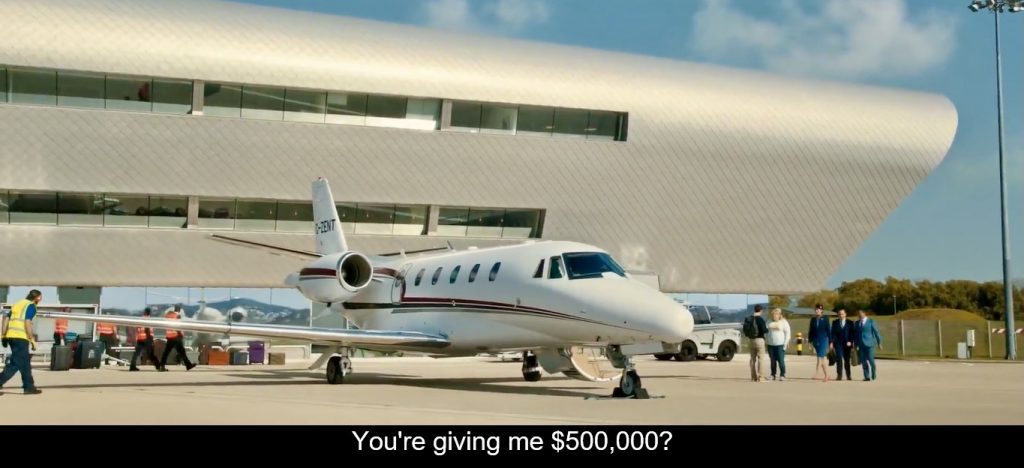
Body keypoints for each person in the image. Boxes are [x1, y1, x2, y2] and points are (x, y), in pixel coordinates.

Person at [0, 290, 44, 395]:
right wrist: (31, 338)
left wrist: (3, 335)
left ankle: (29, 387)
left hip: (11, 336)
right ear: (37, 298)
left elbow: (6, 318)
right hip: (21, 338)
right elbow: (27, 322)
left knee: (25, 363)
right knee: (15, 363)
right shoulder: (31, 306)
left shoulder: (18, 304)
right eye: (41, 297)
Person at [159, 306, 196, 371]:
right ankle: (188, 365)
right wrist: (181, 335)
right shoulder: (177, 316)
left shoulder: (167, 316)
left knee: (166, 352)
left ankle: (162, 366)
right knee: (182, 352)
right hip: (176, 336)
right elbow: (178, 326)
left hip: (169, 336)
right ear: (179, 310)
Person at [854, 310, 882, 381]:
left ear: (864, 313)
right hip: (861, 344)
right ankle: (866, 376)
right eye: (858, 314)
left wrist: (879, 343)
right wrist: (855, 345)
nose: (859, 315)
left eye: (861, 314)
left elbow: (876, 332)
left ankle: (873, 372)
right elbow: (856, 335)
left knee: (871, 360)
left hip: (870, 344)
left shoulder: (871, 322)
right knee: (863, 361)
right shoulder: (857, 323)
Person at [744, 305, 769, 382]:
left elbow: (745, 330)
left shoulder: (749, 319)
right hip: (759, 340)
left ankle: (753, 377)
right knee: (761, 359)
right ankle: (761, 377)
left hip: (751, 340)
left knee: (752, 359)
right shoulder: (760, 319)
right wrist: (767, 329)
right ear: (761, 310)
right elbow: (764, 330)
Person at [765, 308, 791, 381]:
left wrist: (786, 343)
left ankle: (782, 375)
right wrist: (766, 341)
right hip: (771, 345)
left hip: (780, 345)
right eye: (773, 314)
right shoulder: (769, 322)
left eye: (776, 314)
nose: (774, 316)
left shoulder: (783, 322)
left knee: (781, 361)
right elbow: (765, 332)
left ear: (779, 315)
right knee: (772, 361)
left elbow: (788, 333)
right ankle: (773, 375)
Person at [807, 304, 831, 382]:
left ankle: (816, 372)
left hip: (823, 340)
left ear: (822, 310)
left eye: (819, 309)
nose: (817, 311)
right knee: (822, 359)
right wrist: (810, 341)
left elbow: (828, 330)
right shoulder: (813, 319)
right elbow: (811, 331)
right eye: (816, 309)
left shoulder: (825, 318)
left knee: (820, 356)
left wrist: (831, 341)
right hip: (815, 340)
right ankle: (827, 375)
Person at [830, 308, 855, 380]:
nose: (841, 315)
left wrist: (850, 341)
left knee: (847, 360)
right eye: (839, 314)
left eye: (842, 314)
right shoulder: (835, 322)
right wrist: (831, 342)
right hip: (838, 344)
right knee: (839, 359)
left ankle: (848, 375)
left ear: (845, 314)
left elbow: (852, 333)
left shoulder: (850, 322)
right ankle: (839, 375)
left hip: (847, 344)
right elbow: (832, 333)